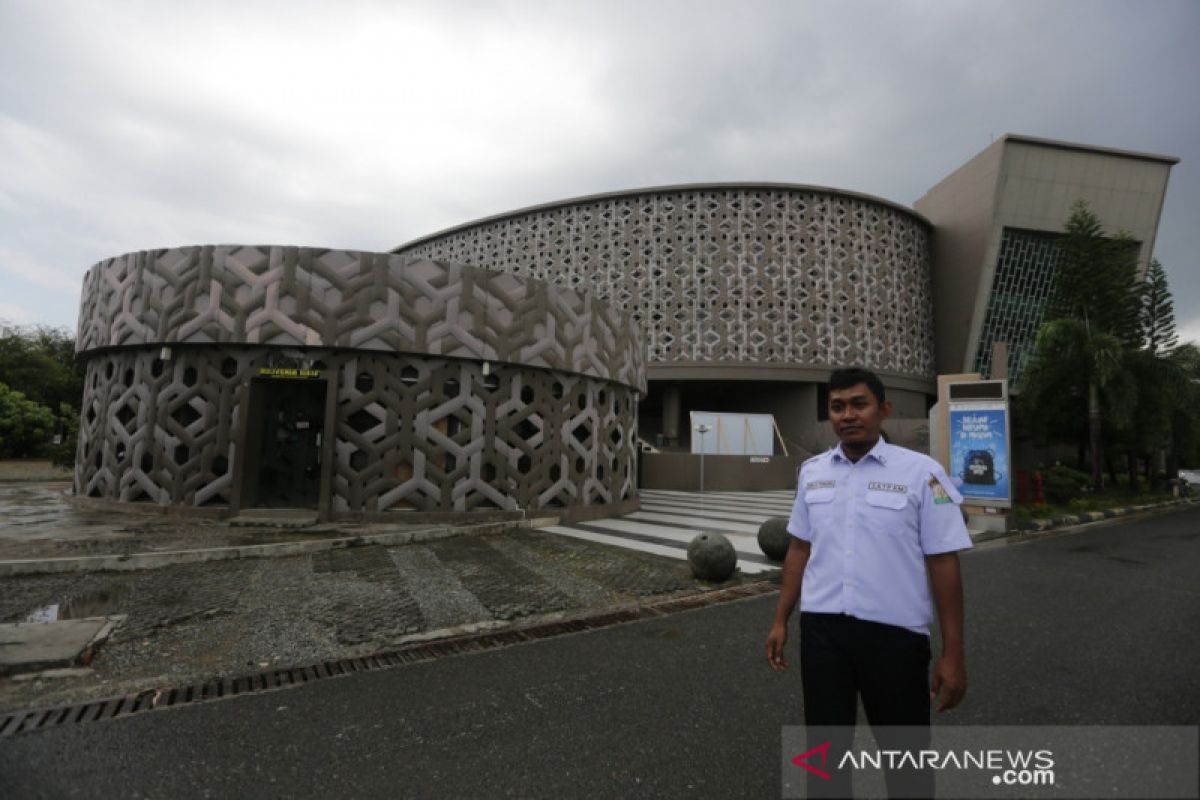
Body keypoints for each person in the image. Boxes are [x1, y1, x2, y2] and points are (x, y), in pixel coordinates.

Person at [765, 367, 972, 798]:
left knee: (906, 762)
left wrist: (954, 654)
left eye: (859, 404)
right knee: (824, 760)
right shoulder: (813, 472)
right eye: (838, 407)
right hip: (823, 634)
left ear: (883, 409)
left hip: (894, 638)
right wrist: (781, 618)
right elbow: (799, 549)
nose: (848, 415)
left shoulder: (923, 473)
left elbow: (943, 563)